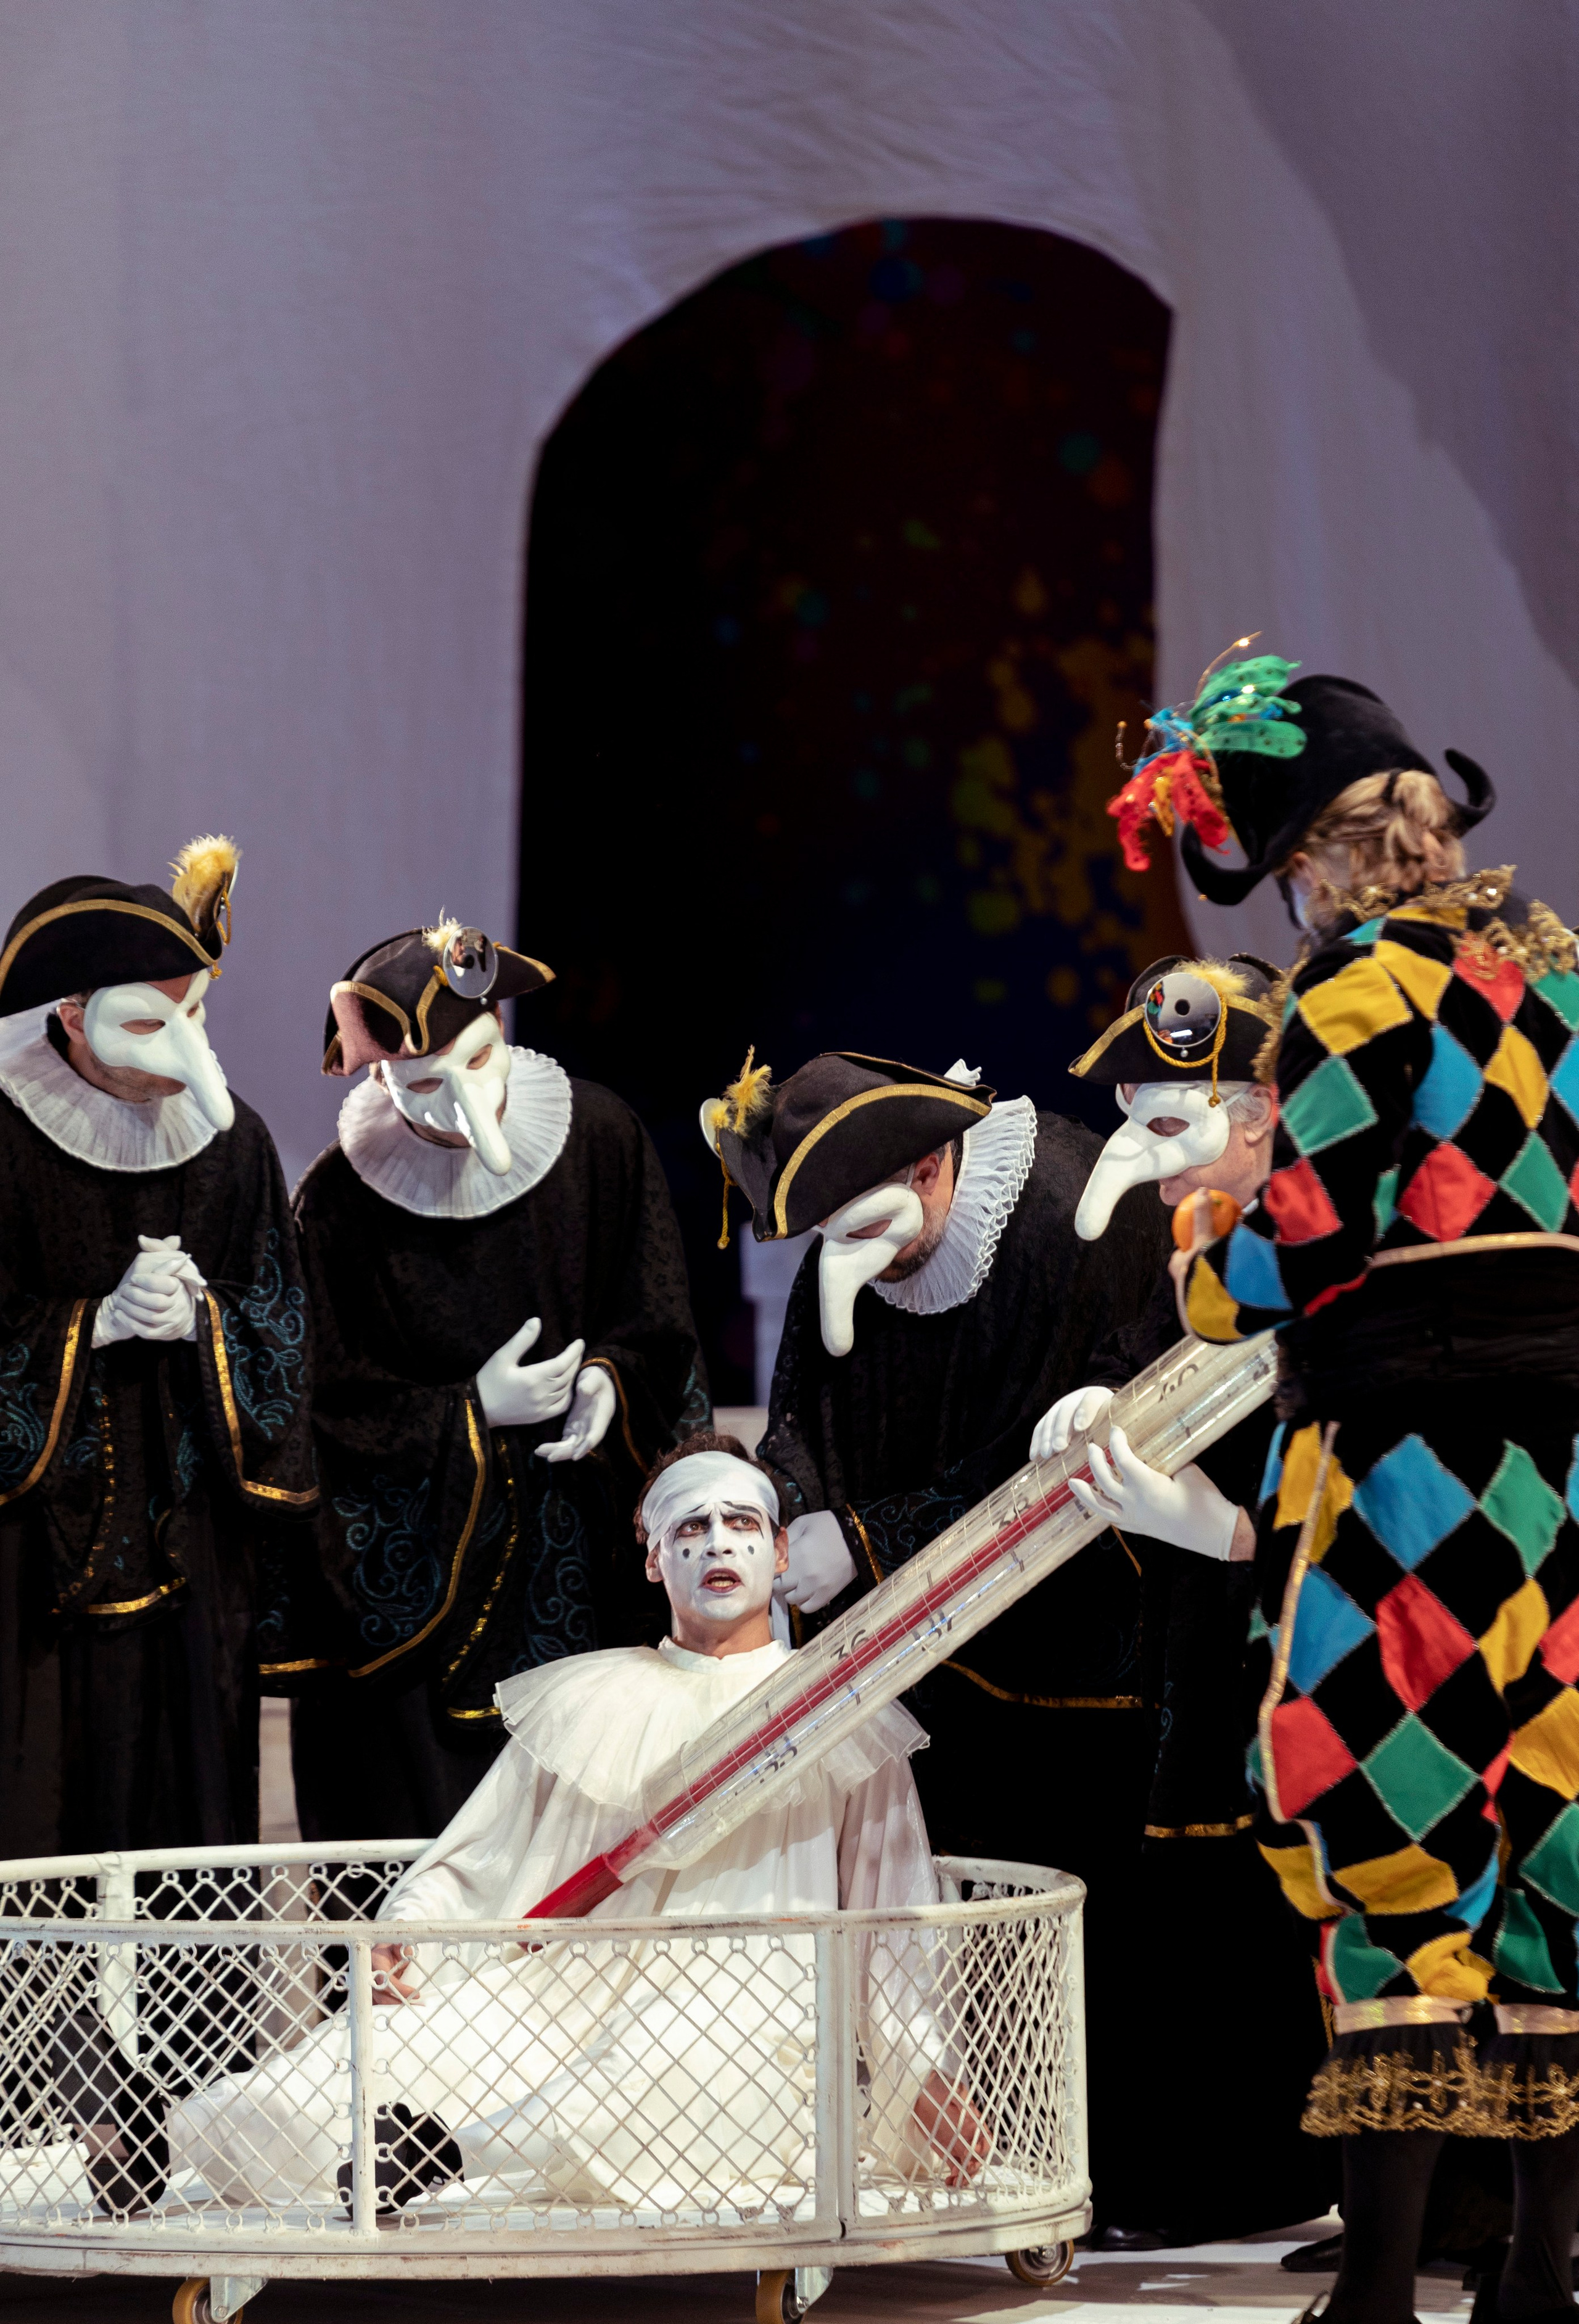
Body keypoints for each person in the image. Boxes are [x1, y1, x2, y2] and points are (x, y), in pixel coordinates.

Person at [1140, 648, 1579, 2324]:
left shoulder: (1353, 991)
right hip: (1559, 1486)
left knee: (1390, 1829)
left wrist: (1198, 1242)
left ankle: (1380, 2297)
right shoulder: (1558, 977)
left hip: (1405, 1476)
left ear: (1310, 864)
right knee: (1547, 1845)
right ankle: (1538, 2274)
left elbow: (1300, 1246)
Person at [81, 1433, 971, 2221]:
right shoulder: (591, 1698)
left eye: (741, 1524)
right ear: (653, 1558)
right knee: (387, 2054)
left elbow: (893, 1919)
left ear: (779, 1553)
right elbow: (476, 1856)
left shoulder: (837, 1714)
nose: (716, 1544)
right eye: (689, 1528)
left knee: (659, 2069)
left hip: (745, 2023)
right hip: (558, 1998)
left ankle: (442, 2156)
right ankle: (160, 2134)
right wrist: (409, 1933)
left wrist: (920, 2064)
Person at [701, 1044, 1171, 2226]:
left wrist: (868, 1538)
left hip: (1076, 1636)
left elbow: (1071, 1441)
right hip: (927, 1651)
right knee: (953, 1913)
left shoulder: (1071, 1209)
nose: (848, 1259)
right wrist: (788, 1508)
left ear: (929, 1163)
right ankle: (998, 2168)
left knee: (1076, 1907)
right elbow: (806, 1409)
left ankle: (1105, 2172)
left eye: (863, 1229)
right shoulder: (858, 1231)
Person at [1028, 952, 1337, 2241]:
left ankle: (1353, 2188)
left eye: (1171, 1122)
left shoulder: (1325, 1241)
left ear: (1257, 1114)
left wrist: (1224, 1533)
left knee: (1302, 1887)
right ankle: (1227, 2177)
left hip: (1319, 1630)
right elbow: (1142, 1357)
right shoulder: (1180, 1239)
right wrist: (1103, 1397)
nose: (1149, 1162)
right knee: (1202, 1887)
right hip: (1197, 1643)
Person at [284, 920, 710, 1843]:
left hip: (582, 1550)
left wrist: (613, 1381)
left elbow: (657, 1315)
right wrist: (469, 1413)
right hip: (425, 1597)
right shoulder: (338, 1203)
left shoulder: (599, 1137)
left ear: (502, 1030)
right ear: (379, 1079)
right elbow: (324, 1406)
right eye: (423, 1084)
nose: (459, 1105)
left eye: (478, 1062)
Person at [0, 839, 317, 1855]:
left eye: (197, 1018)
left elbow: (283, 1324)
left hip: (192, 1552)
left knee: (189, 1808)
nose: (178, 1051)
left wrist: (206, 1325)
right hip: (30, 1563)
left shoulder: (236, 1145)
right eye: (145, 1024)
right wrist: (90, 1328)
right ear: (69, 1013)